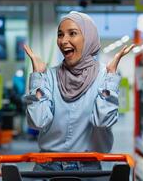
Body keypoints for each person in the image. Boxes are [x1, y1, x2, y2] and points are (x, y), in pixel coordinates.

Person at [23, 11, 134, 171]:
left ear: (88, 38)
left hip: (88, 168)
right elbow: (37, 121)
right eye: (60, 35)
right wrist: (37, 77)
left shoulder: (105, 77)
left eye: (72, 33)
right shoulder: (48, 76)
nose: (63, 41)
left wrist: (110, 78)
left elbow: (102, 121)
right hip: (47, 167)